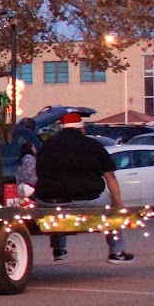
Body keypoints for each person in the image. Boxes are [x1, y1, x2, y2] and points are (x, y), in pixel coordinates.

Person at [35, 113, 133, 263]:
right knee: (111, 205)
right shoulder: (92, 145)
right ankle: (116, 252)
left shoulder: (47, 145)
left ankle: (59, 249)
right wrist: (118, 204)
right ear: (81, 128)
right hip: (85, 199)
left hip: (47, 199)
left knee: (57, 211)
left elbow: (38, 173)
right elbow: (110, 177)